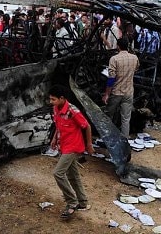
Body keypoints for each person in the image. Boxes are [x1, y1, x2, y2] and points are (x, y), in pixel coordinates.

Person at [48, 84, 94, 219]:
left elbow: (87, 126)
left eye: (53, 99)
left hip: (73, 147)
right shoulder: (56, 108)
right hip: (63, 145)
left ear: (62, 98)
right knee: (73, 175)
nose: (51, 102)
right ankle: (83, 202)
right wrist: (54, 138)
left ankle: (71, 202)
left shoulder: (73, 111)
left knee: (58, 173)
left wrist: (89, 144)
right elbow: (59, 125)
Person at [102, 37, 139, 139]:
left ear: (118, 46)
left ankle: (107, 138)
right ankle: (124, 140)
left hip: (116, 92)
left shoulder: (114, 59)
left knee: (108, 116)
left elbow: (111, 79)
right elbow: (136, 69)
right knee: (126, 118)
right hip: (129, 92)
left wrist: (106, 94)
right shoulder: (134, 58)